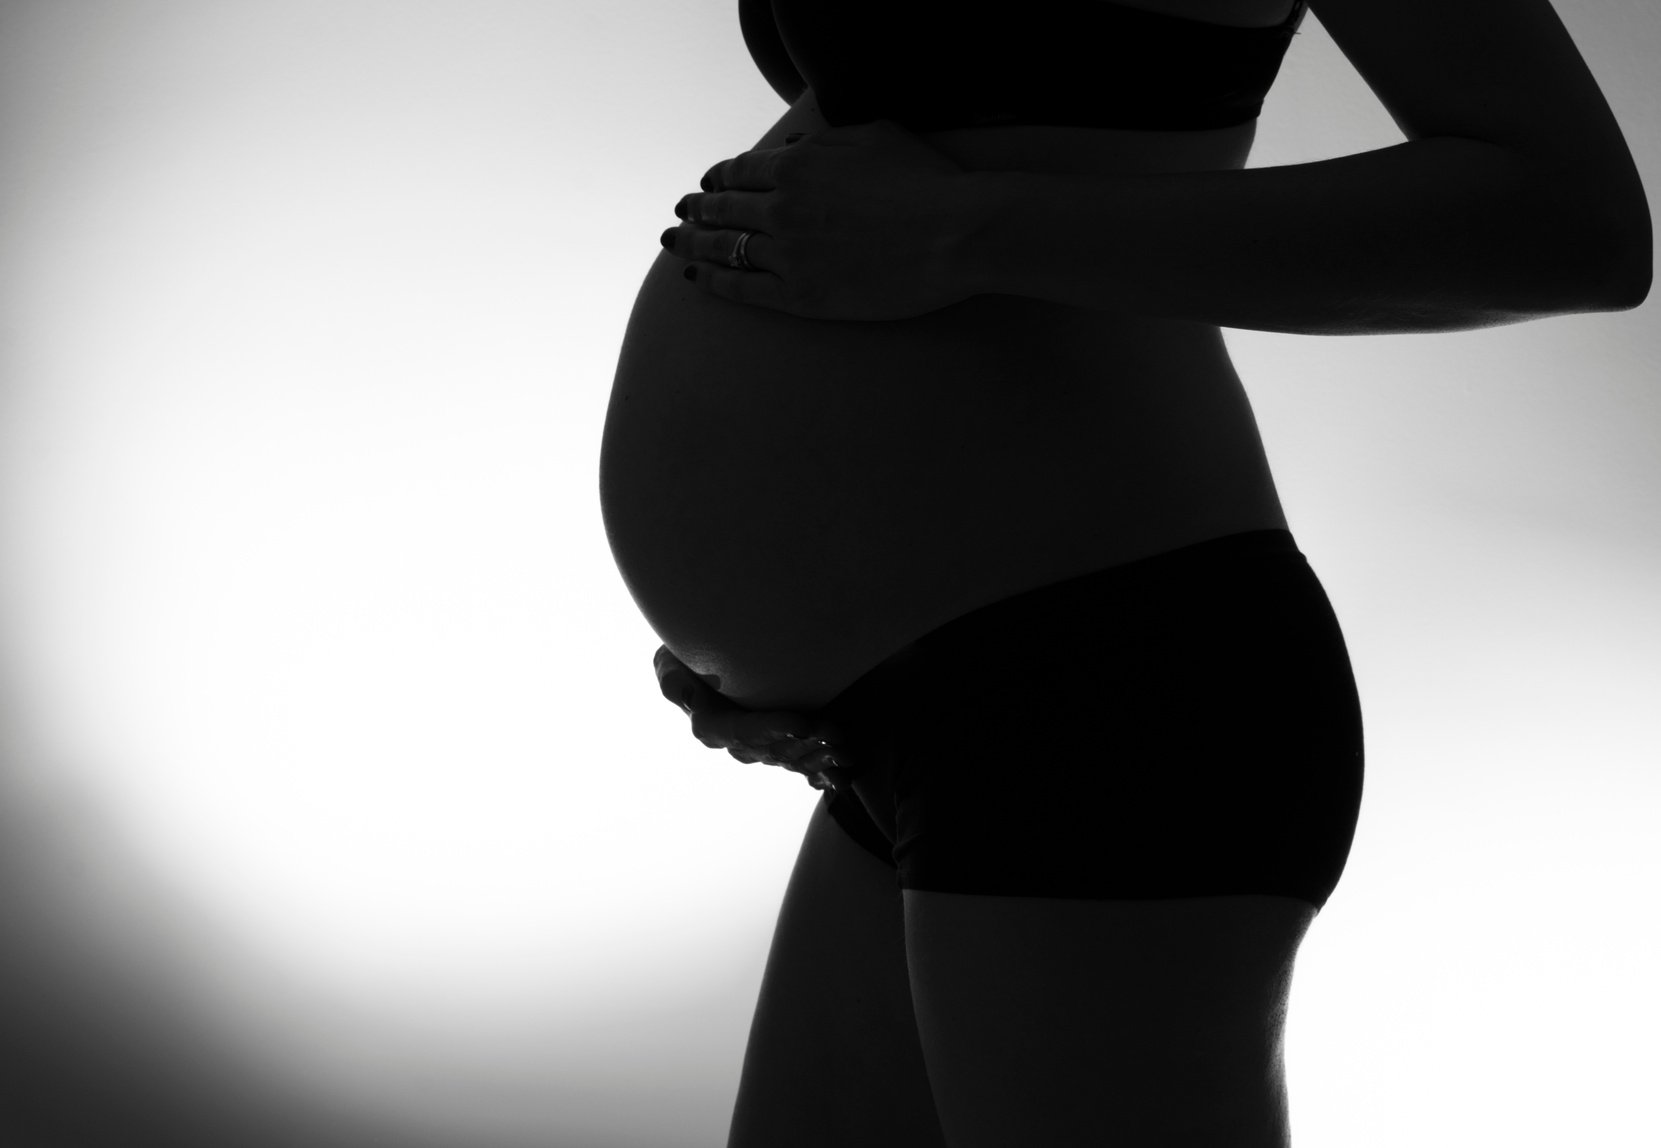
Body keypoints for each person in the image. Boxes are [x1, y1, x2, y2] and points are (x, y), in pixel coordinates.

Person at [603, 0, 1651, 1144]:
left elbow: (1571, 220)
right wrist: (771, 624)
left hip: (1105, 674)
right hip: (916, 705)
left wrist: (968, 230)